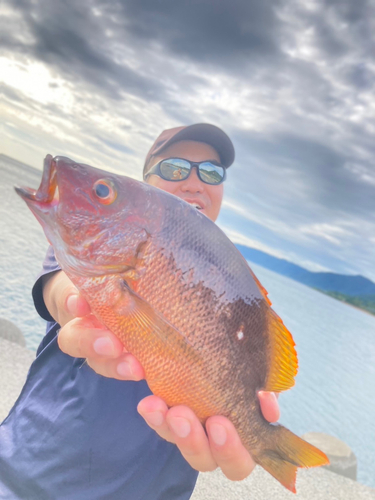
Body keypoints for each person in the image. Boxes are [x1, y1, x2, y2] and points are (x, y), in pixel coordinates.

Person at [0, 124, 279, 500]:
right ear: (146, 181)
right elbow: (61, 289)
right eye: (175, 168)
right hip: (28, 478)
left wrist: (251, 427)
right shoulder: (80, 256)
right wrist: (71, 304)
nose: (195, 182)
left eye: (211, 172)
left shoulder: (231, 287)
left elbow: (251, 379)